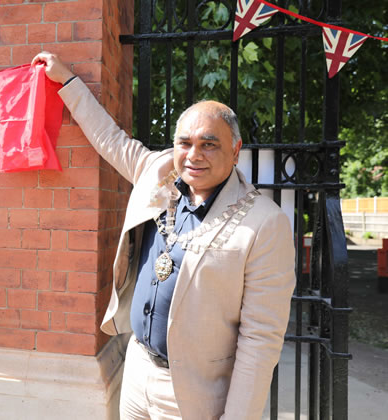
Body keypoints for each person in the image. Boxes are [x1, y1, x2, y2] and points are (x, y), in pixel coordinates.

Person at [31, 52, 296, 420]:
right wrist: (67, 82)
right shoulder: (158, 173)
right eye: (184, 143)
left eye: (209, 144)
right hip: (136, 373)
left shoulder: (266, 224)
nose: (193, 155)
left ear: (235, 151)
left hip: (196, 394)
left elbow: (260, 341)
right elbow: (110, 139)